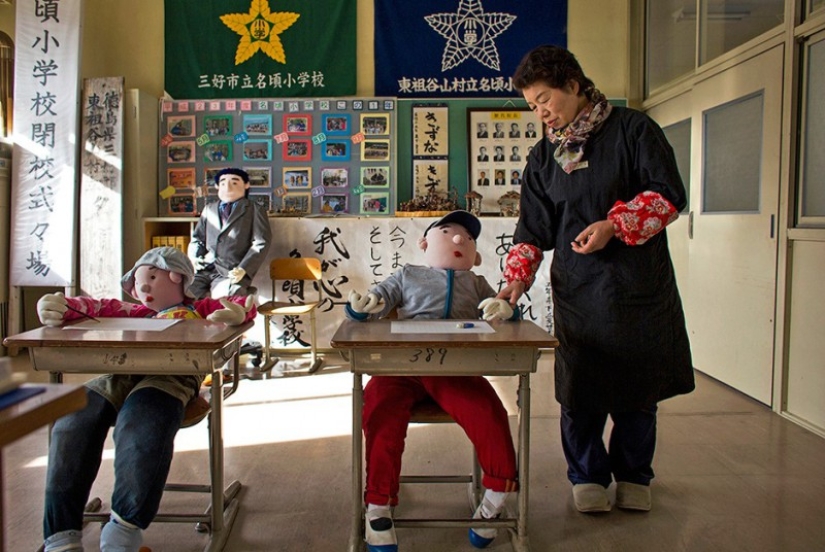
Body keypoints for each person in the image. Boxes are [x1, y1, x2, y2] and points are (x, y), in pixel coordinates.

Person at [497, 45, 694, 514]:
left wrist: (614, 226)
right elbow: (533, 229)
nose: (541, 112)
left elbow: (668, 195)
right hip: (579, 290)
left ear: (573, 84)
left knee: (638, 388)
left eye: (544, 99)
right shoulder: (544, 157)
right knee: (580, 388)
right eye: (532, 106)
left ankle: (633, 474)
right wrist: (516, 279)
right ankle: (585, 474)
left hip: (637, 285)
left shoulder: (633, 129)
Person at [36, 247, 257, 552]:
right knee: (74, 418)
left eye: (153, 277)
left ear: (177, 278)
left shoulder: (198, 307)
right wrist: (61, 306)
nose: (144, 288)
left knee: (142, 422)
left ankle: (124, 527)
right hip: (119, 372)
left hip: (173, 376)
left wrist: (240, 312)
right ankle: (61, 535)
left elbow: (239, 303)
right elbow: (94, 307)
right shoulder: (135, 312)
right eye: (139, 281)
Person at [346, 211, 520, 552]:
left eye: (467, 238)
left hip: (456, 369)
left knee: (489, 413)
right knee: (379, 409)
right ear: (424, 243)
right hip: (401, 367)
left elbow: (506, 308)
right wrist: (363, 307)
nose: (458, 240)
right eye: (447, 232)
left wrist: (507, 311)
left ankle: (496, 497)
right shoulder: (408, 274)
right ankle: (378, 504)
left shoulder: (477, 282)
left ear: (476, 254)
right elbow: (378, 299)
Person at [188, 167, 272, 299]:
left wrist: (244, 268)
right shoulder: (209, 209)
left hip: (232, 271)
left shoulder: (254, 209)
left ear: (246, 185)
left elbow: (261, 242)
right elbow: (197, 238)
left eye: (234, 182)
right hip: (204, 268)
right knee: (184, 293)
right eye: (222, 183)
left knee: (226, 299)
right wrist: (194, 258)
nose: (227, 186)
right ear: (217, 186)